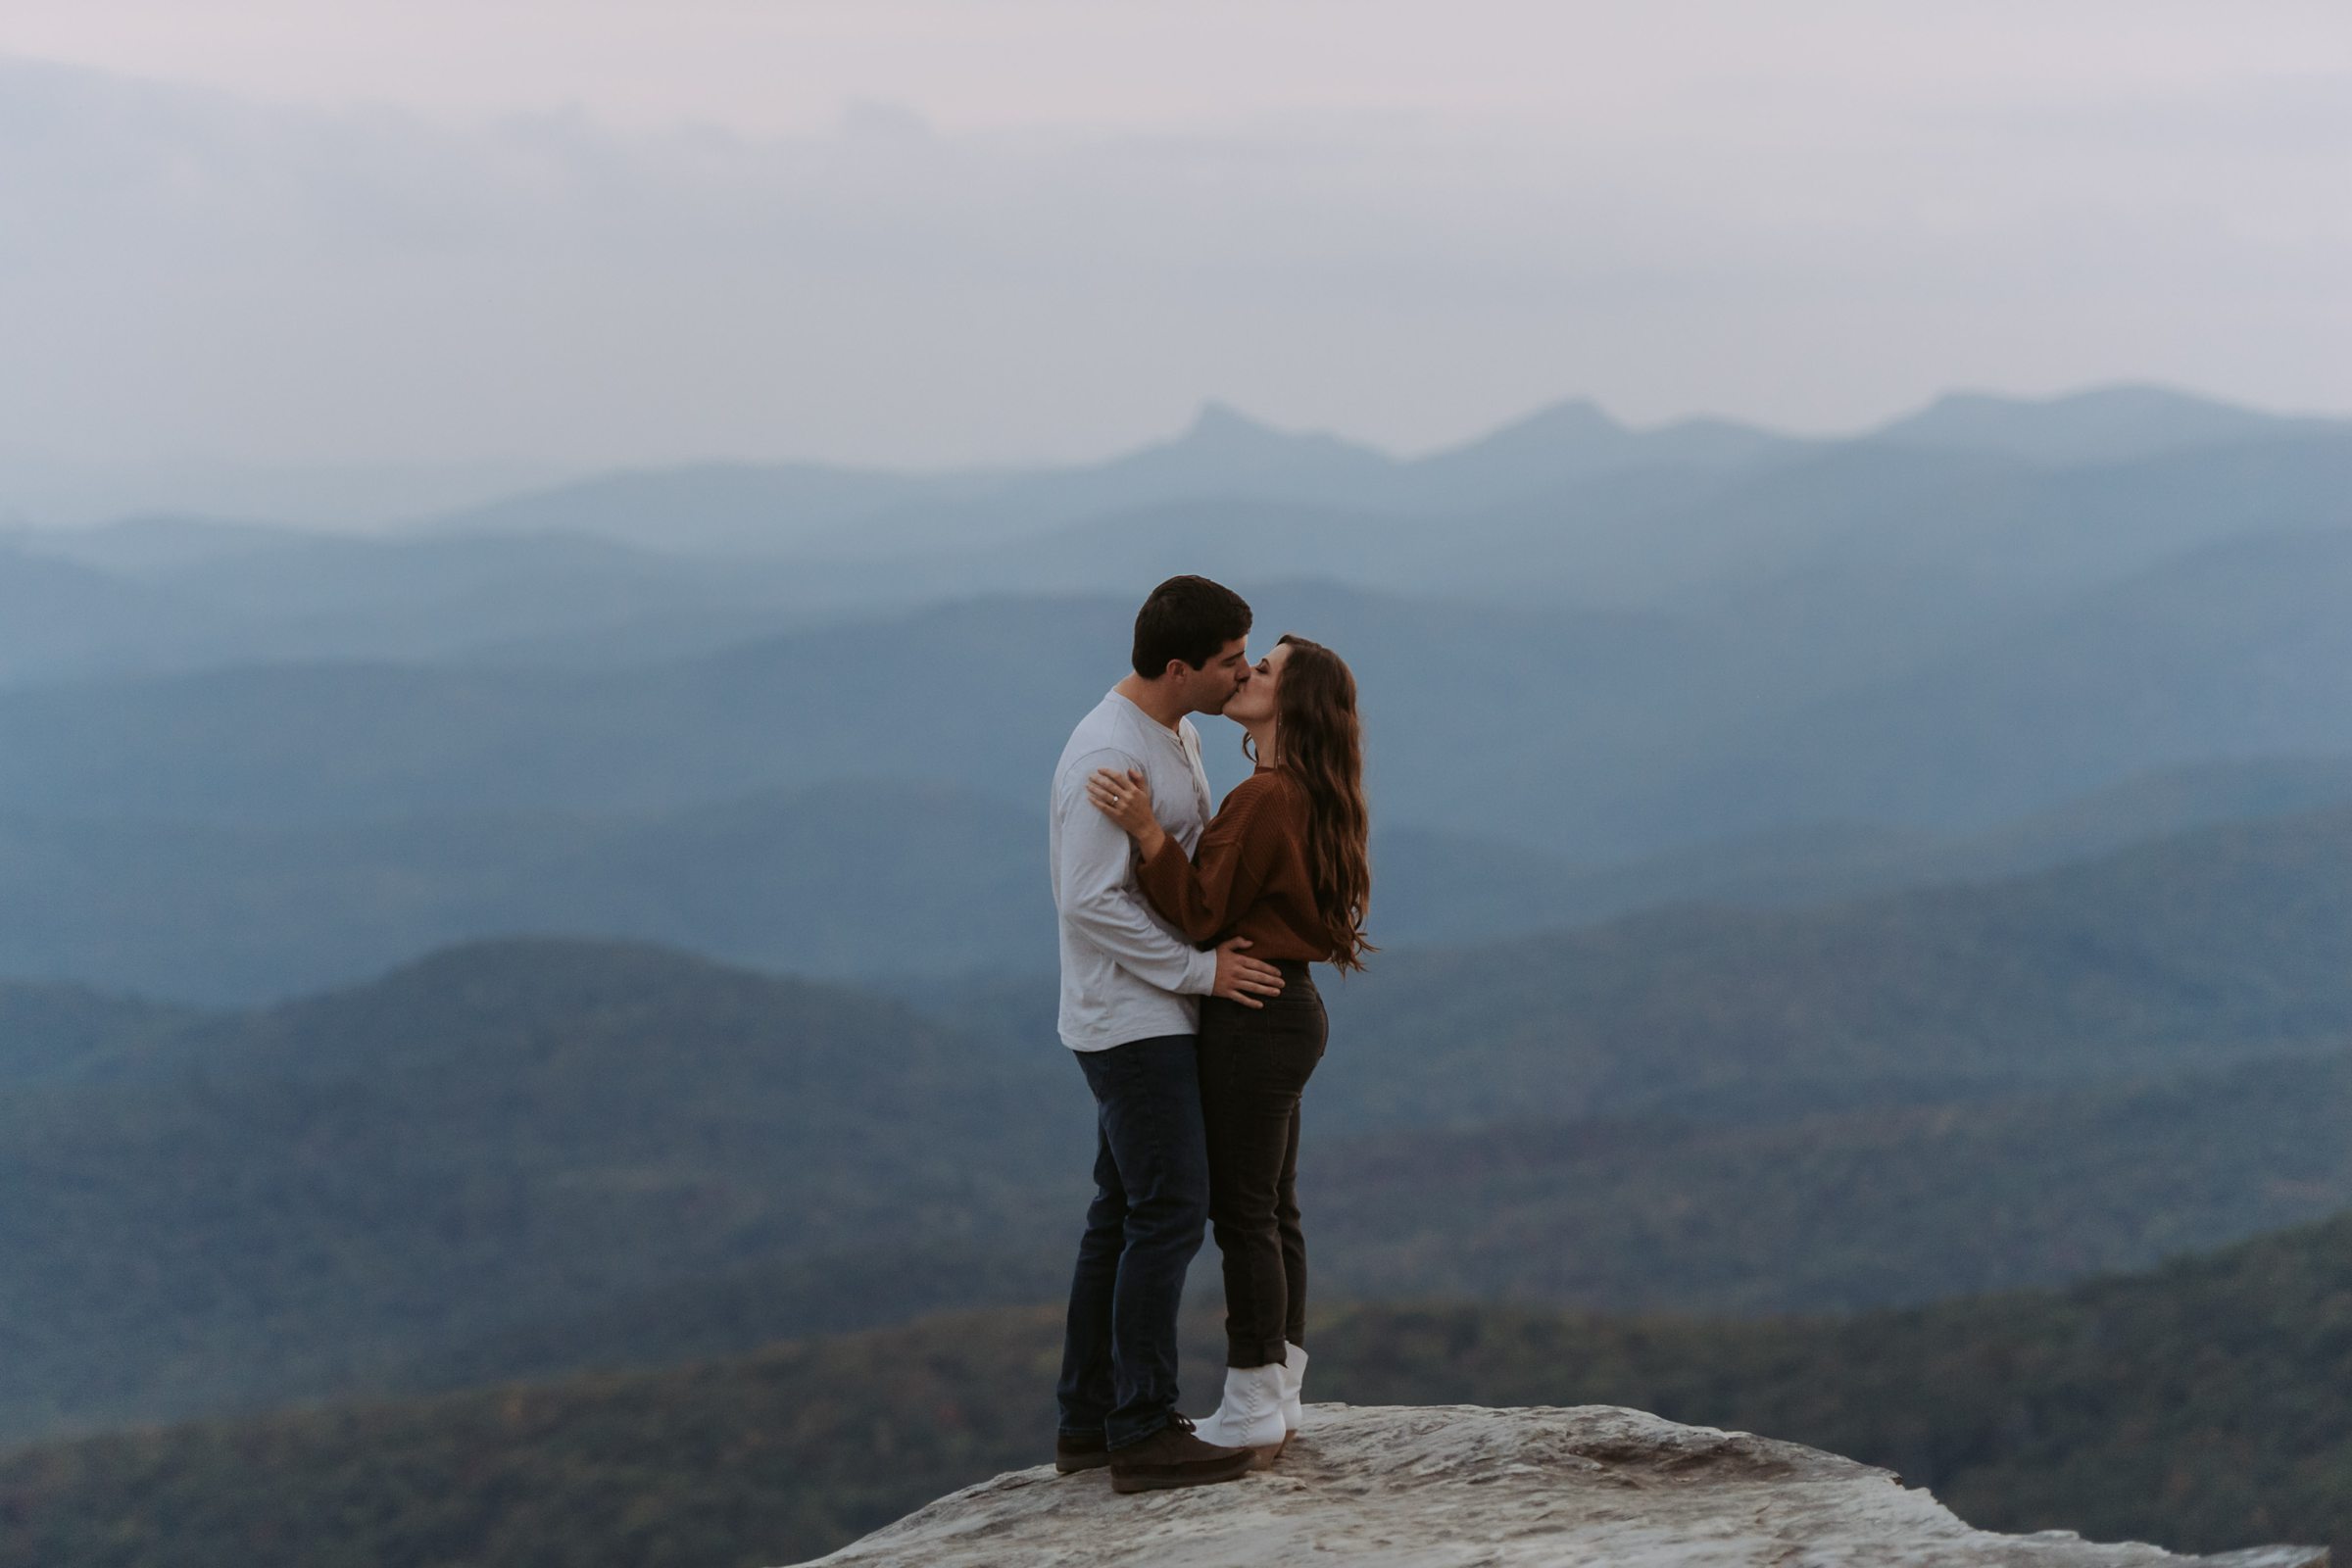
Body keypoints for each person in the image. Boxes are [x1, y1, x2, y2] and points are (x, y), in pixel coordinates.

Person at [1087, 631, 1373, 1468]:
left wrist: (1145, 833)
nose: (1248, 673)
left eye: (1267, 670)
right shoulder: (1310, 793)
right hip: (1292, 1006)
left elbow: (1203, 916)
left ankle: (1251, 1398)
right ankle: (1276, 1390)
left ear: (1293, 703)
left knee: (1243, 1212)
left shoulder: (1264, 798)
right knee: (1273, 1208)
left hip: (1250, 1015)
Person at [1048, 574, 1292, 1494]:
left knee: (1121, 1215)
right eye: (1231, 661)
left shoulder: (1173, 730)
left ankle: (1087, 1420)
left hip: (1150, 1013)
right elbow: (1087, 901)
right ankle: (1143, 1428)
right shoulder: (1108, 756)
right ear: (1180, 666)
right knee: (1171, 1211)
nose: (1244, 672)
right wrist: (1201, 971)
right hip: (1132, 1021)